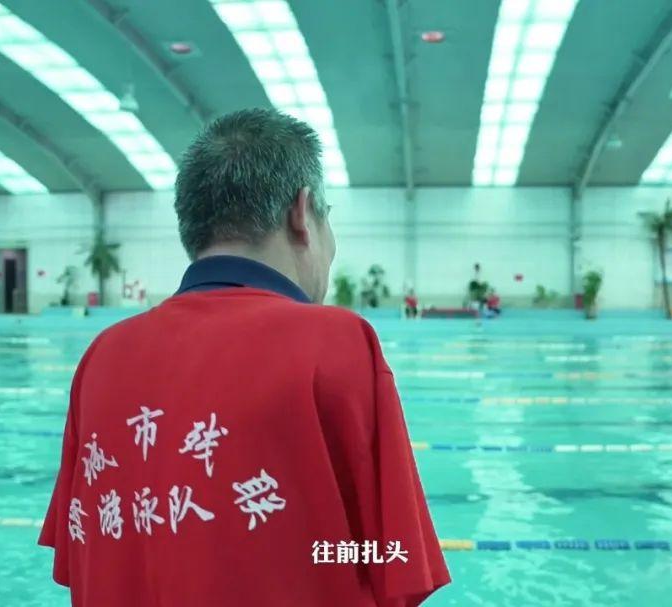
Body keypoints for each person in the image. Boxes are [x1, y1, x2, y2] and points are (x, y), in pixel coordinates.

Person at [39, 109, 449, 606]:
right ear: (302, 213)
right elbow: (394, 559)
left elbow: (82, 557)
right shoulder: (336, 343)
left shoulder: (102, 358)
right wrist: (311, 551)